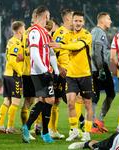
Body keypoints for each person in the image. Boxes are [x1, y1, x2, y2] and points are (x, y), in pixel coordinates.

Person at [49, 11, 93, 141]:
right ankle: (74, 130)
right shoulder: (67, 35)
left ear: (83, 22)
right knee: (70, 103)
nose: (78, 23)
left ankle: (87, 133)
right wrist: (50, 42)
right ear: (72, 21)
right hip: (71, 75)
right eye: (76, 21)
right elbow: (55, 48)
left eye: (80, 21)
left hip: (85, 74)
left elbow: (77, 46)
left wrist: (61, 45)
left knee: (87, 104)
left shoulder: (87, 35)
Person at [20, 5, 59, 143]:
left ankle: (31, 128)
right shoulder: (34, 32)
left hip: (44, 70)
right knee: (50, 100)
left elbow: (51, 52)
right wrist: (45, 71)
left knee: (43, 100)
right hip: (38, 71)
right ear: (47, 16)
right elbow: (34, 53)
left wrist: (56, 70)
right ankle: (43, 132)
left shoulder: (44, 32)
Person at [0, 21, 25, 134]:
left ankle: (0, 126)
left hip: (7, 74)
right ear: (20, 31)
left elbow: (8, 59)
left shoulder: (10, 41)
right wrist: (21, 72)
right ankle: (10, 127)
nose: (24, 30)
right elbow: (13, 60)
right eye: (24, 28)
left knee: (6, 101)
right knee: (16, 102)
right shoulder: (17, 43)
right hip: (14, 75)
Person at [90, 12, 115, 133]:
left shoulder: (92, 32)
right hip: (100, 67)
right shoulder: (101, 33)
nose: (110, 21)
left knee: (95, 95)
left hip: (91, 68)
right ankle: (99, 119)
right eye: (108, 19)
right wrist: (101, 69)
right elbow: (97, 52)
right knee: (111, 93)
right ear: (102, 21)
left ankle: (93, 126)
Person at [19, 9, 37, 140]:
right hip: (35, 71)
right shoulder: (35, 33)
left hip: (27, 71)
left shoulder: (25, 33)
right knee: (36, 100)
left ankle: (31, 127)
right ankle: (27, 128)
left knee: (29, 100)